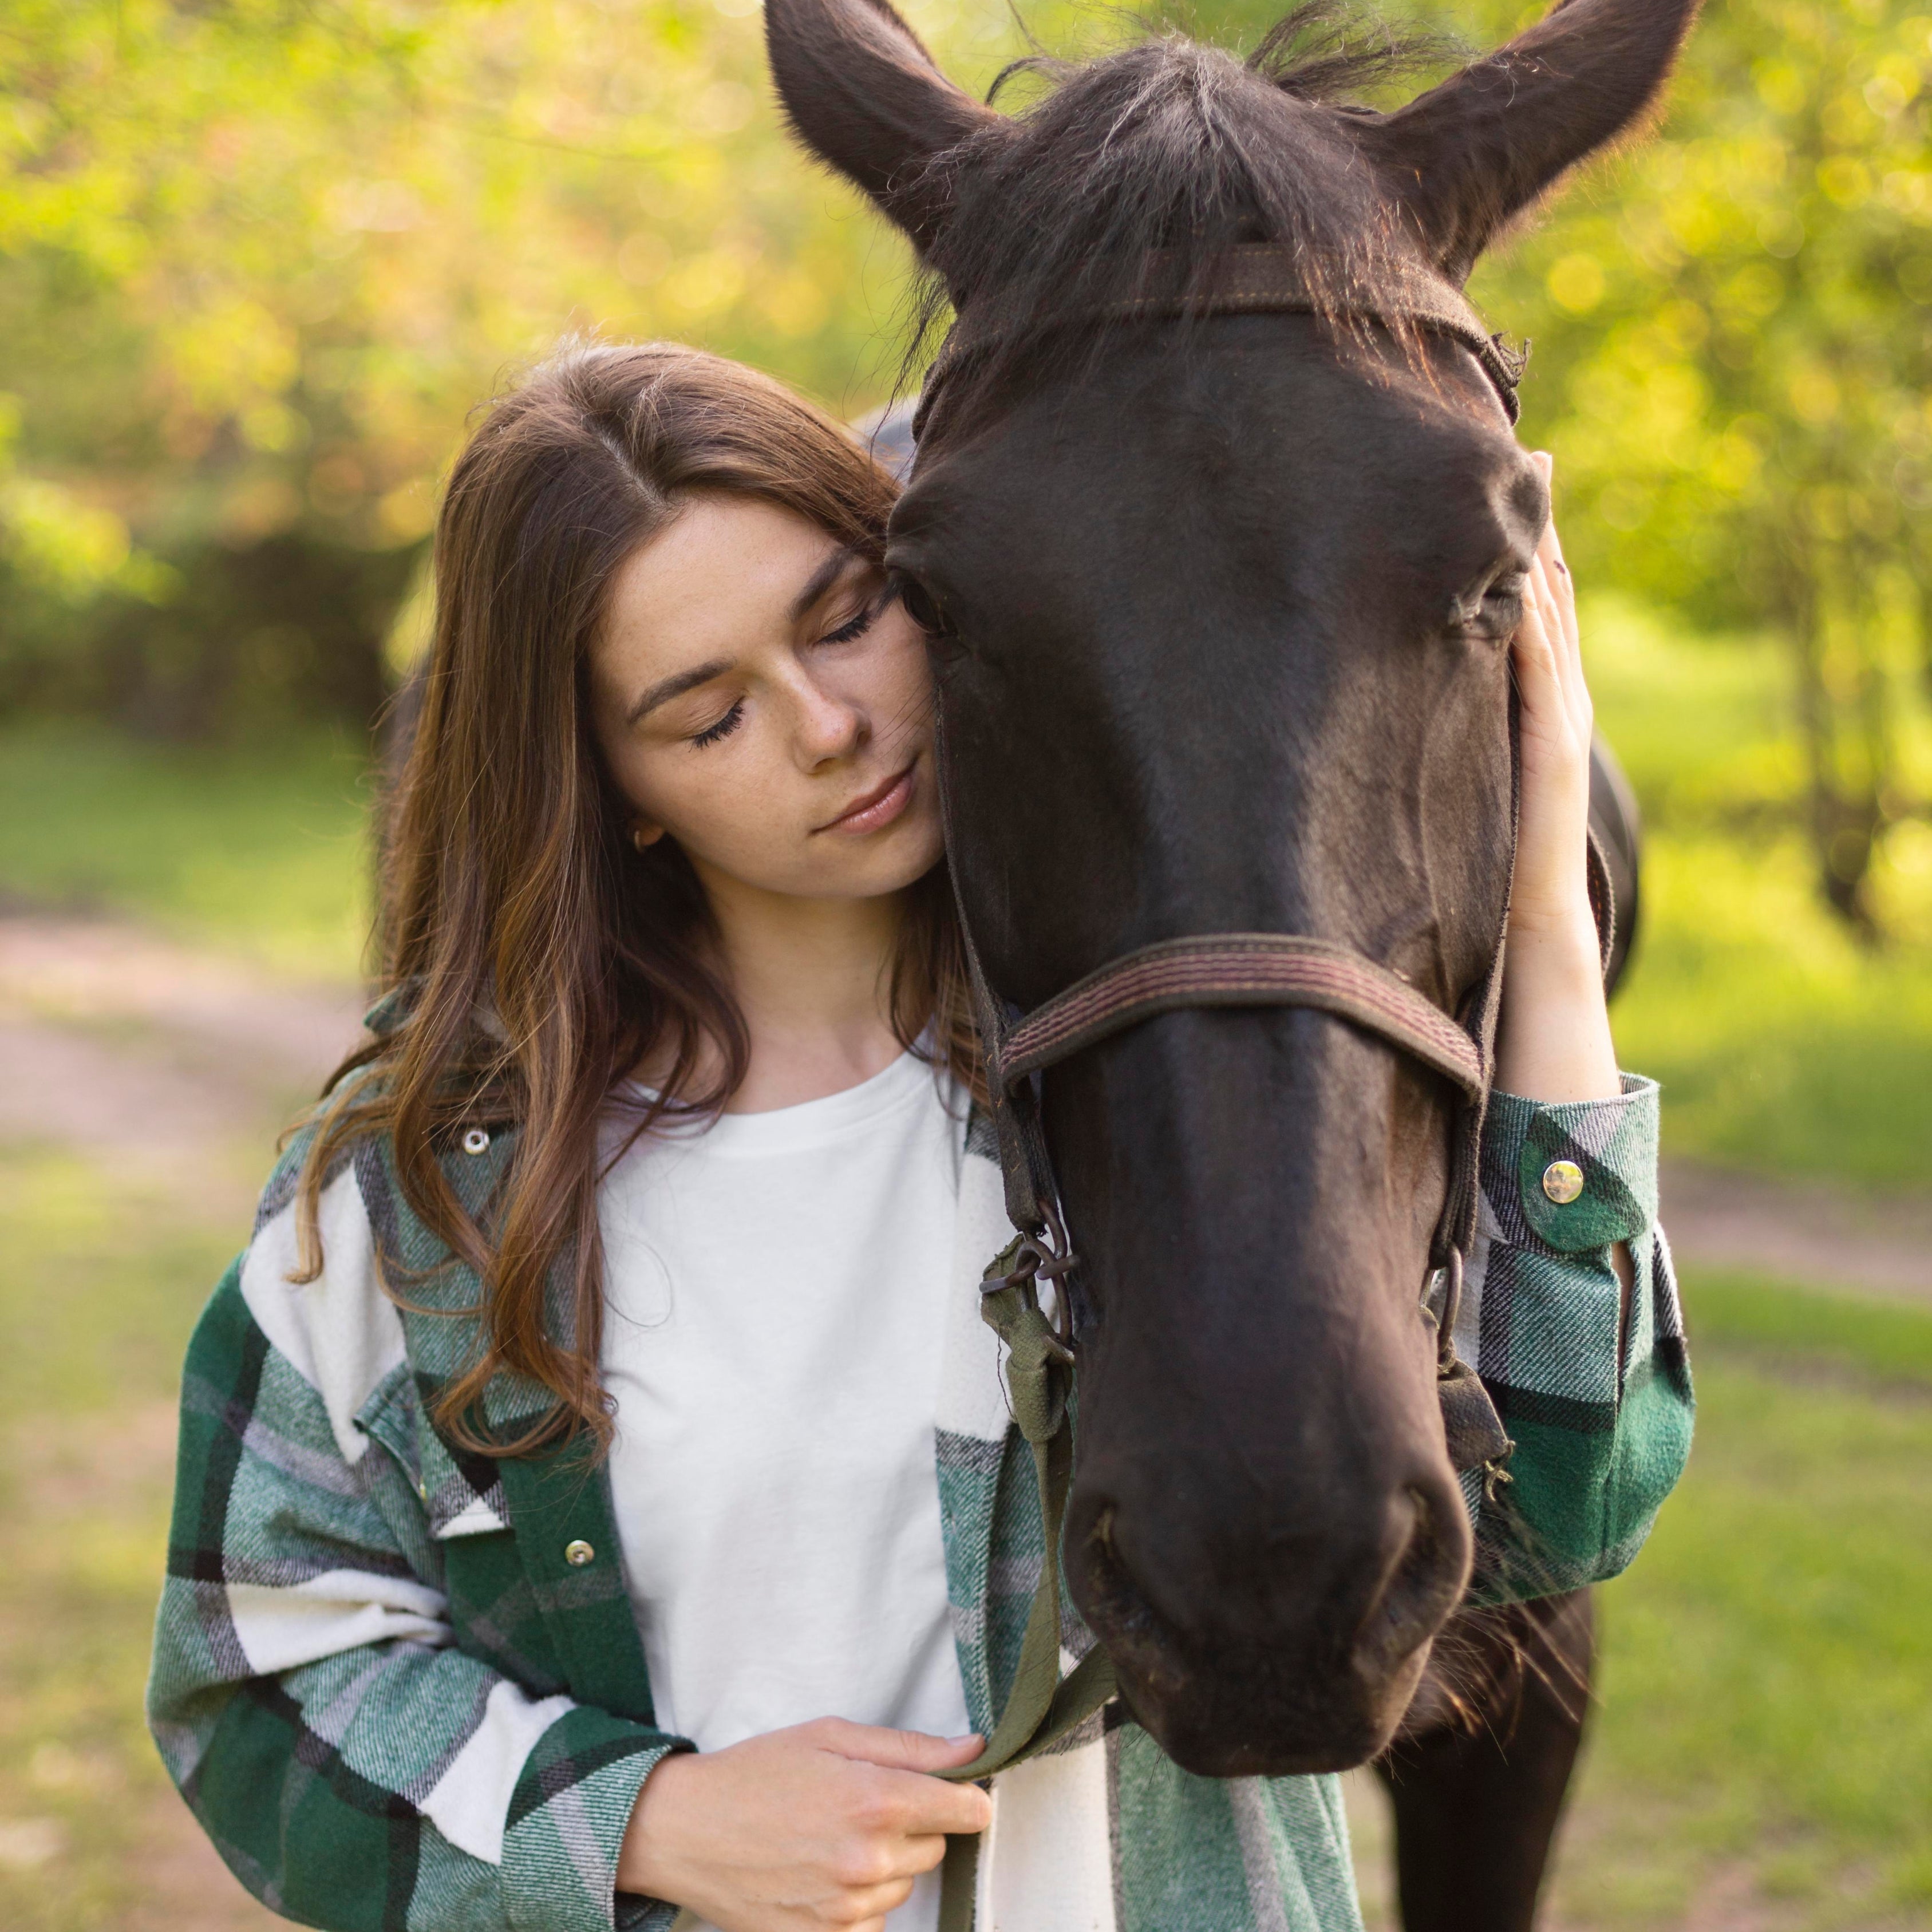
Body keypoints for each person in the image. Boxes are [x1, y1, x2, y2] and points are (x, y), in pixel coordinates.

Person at [147, 341, 1692, 1932]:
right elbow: (256, 1673)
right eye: (707, 715)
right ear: (615, 789)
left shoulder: (1157, 1094)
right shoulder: (429, 1196)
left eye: (844, 618)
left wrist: (1544, 927)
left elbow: (1557, 1508)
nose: (826, 726)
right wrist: (644, 1823)